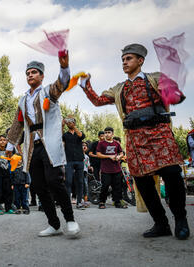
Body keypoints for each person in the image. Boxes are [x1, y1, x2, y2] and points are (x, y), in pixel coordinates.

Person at [80, 43, 189, 239]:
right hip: (135, 138)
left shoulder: (155, 78)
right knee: (142, 181)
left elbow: (177, 98)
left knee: (172, 174)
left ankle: (181, 219)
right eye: (122, 59)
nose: (124, 62)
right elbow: (97, 101)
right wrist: (86, 85)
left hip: (160, 133)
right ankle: (161, 223)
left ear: (140, 60)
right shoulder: (119, 88)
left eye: (128, 58)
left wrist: (173, 88)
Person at [6, 51, 80, 238]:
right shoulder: (23, 100)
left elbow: (62, 83)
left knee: (55, 181)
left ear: (42, 75)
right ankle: (54, 224)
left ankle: (70, 220)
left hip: (49, 142)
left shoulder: (48, 91)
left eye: (34, 72)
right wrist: (9, 145)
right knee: (38, 186)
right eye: (28, 73)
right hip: (32, 146)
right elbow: (17, 123)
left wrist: (64, 66)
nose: (30, 75)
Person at [96, 127, 127, 209]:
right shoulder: (101, 143)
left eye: (109, 132)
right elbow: (98, 154)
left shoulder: (116, 144)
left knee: (117, 186)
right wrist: (109, 156)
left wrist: (118, 157)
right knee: (105, 186)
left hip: (116, 169)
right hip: (105, 169)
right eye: (105, 132)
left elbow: (121, 153)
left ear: (112, 134)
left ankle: (117, 202)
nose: (107, 134)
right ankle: (102, 202)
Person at [62, 117, 86, 209]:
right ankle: (67, 202)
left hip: (79, 160)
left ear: (74, 123)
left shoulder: (78, 133)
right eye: (69, 122)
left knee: (80, 181)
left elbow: (81, 136)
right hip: (69, 160)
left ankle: (79, 202)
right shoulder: (65, 135)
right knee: (68, 181)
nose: (70, 123)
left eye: (72, 122)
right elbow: (60, 138)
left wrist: (74, 126)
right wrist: (62, 125)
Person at [0, 135, 14, 215]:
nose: (2, 141)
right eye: (0, 140)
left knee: (8, 190)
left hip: (7, 172)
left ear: (6, 142)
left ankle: (8, 208)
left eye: (4, 140)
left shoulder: (9, 151)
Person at [82, 142, 91, 208]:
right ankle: (80, 199)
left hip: (85, 172)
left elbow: (88, 165)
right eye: (82, 145)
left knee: (85, 185)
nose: (84, 147)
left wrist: (90, 167)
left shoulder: (87, 156)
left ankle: (85, 200)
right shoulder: (78, 155)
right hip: (79, 171)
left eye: (85, 146)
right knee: (80, 185)